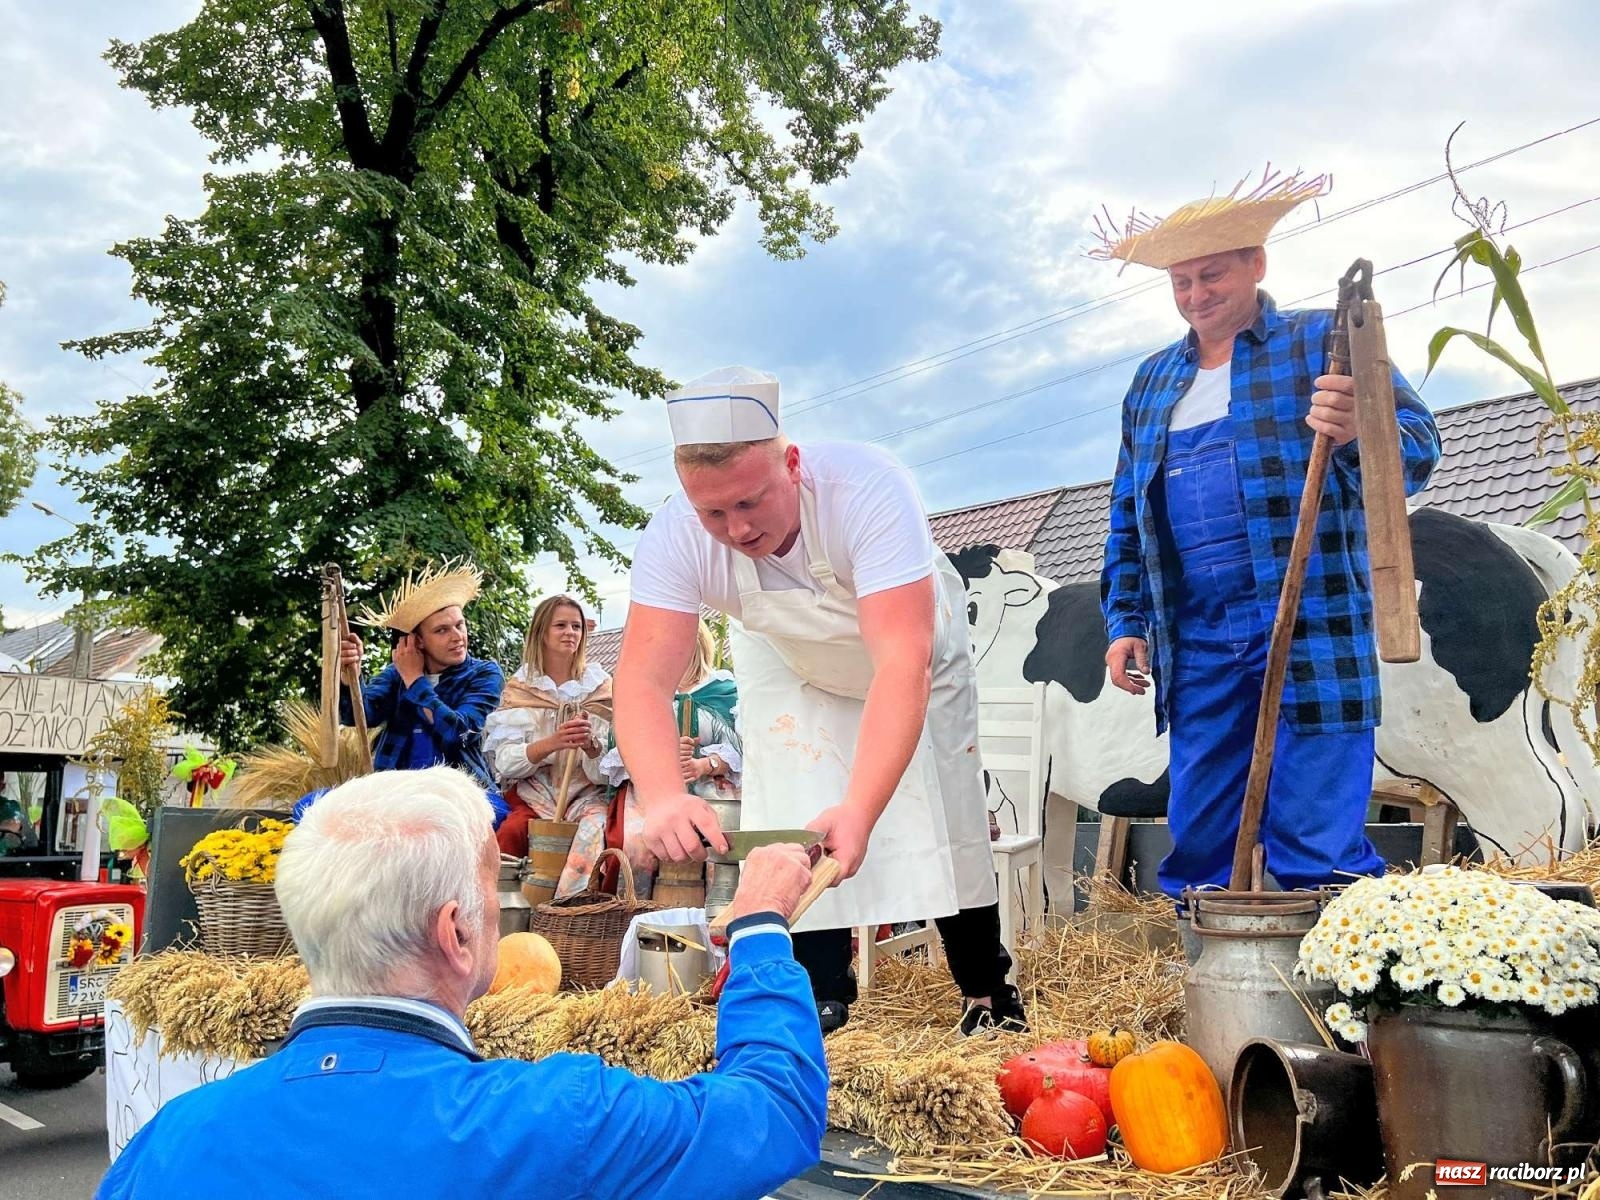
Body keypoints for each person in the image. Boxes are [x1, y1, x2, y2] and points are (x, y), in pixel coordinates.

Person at [96, 767, 828, 1200]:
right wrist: (760, 924)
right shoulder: (551, 1118)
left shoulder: (170, 1140)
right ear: (456, 932)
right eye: (491, 885)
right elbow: (773, 1110)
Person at [613, 366, 1023, 1036]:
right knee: (791, 810)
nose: (737, 530)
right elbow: (640, 680)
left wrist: (860, 809)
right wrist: (661, 794)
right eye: (712, 512)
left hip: (912, 655)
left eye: (750, 502)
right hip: (792, 659)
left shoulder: (868, 488)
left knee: (945, 811)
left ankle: (987, 991)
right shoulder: (674, 537)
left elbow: (900, 661)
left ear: (792, 465)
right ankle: (821, 995)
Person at [1091, 170, 1441, 903]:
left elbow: (1417, 447)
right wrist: (1125, 619)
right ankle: (1214, 976)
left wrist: (1352, 434)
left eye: (1211, 274)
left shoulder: (1324, 343)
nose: (1196, 296)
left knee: (1317, 834)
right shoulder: (1153, 382)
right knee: (1202, 830)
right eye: (1181, 282)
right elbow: (1129, 510)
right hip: (1198, 636)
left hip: (1313, 620)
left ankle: (1340, 994)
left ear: (1257, 263)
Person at [339, 562, 506, 817]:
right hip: (394, 792)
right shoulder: (395, 674)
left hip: (462, 798)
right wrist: (350, 675)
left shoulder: (485, 674)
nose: (457, 636)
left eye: (459, 625)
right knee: (308, 808)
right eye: (442, 630)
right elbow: (358, 716)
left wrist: (415, 680)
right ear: (416, 641)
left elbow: (458, 732)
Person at [482, 595, 622, 896]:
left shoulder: (598, 689)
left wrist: (590, 747)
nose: (570, 632)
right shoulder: (522, 690)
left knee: (598, 829)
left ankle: (570, 911)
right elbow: (505, 763)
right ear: (542, 632)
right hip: (534, 794)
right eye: (560, 625)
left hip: (585, 794)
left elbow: (605, 775)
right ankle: (509, 912)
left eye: (576, 626)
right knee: (512, 831)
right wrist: (552, 743)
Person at [599, 618, 742, 805]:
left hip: (712, 795)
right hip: (653, 796)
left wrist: (704, 764)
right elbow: (624, 752)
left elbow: (741, 751)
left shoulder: (723, 691)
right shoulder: (645, 694)